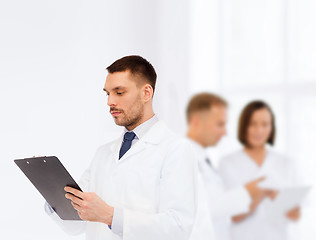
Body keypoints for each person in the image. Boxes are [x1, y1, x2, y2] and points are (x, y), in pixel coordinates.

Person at [45, 55, 198, 240]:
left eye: (119, 92)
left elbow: (178, 228)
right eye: (107, 93)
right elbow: (77, 226)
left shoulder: (176, 149)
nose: (110, 102)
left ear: (146, 93)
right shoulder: (103, 153)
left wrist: (110, 216)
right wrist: (52, 197)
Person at [186, 93, 266, 240]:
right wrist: (246, 192)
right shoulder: (183, 158)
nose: (225, 132)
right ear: (196, 122)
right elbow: (199, 211)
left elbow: (218, 207)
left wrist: (253, 198)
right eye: (220, 124)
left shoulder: (203, 158)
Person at [219, 100, 301, 240]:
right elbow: (235, 215)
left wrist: (280, 200)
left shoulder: (286, 163)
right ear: (244, 126)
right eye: (253, 124)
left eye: (265, 124)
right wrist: (263, 193)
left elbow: (295, 215)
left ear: (272, 128)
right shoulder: (227, 163)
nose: (259, 130)